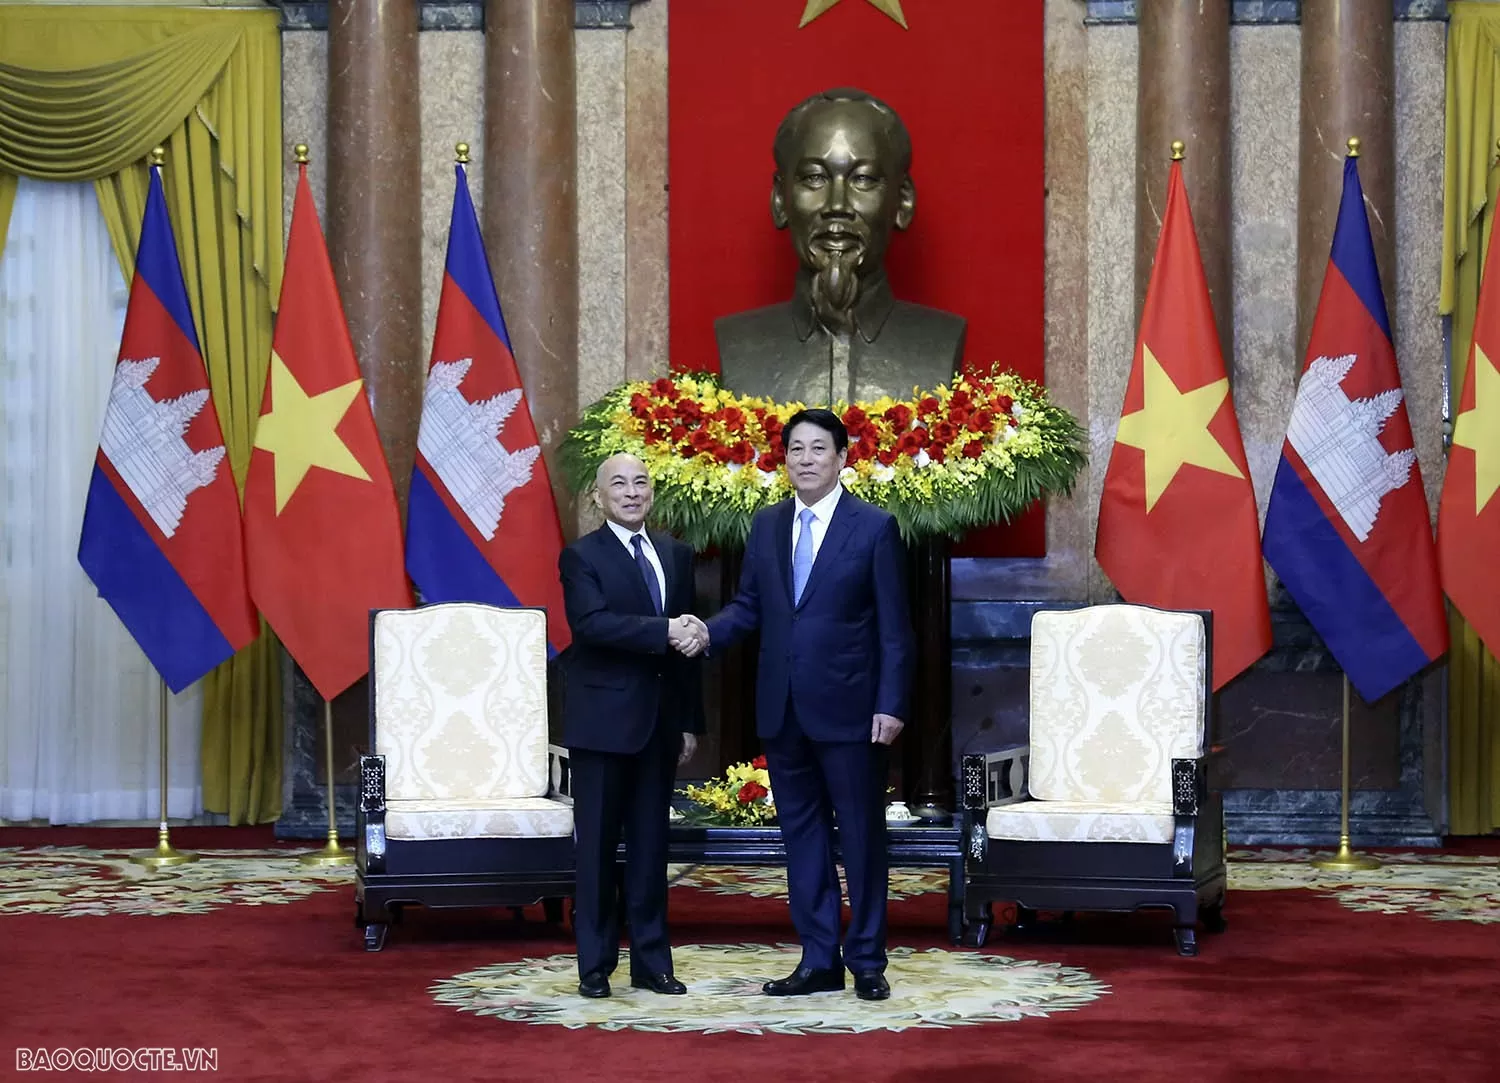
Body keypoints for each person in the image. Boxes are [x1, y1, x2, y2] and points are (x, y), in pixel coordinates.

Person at [695, 408, 914, 1001]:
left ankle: (867, 960)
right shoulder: (766, 527)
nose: (807, 458)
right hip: (782, 709)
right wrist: (704, 632)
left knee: (863, 837)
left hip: (853, 710)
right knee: (803, 838)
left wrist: (891, 703)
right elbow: (749, 607)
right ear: (783, 459)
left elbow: (896, 628)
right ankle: (819, 958)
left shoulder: (873, 527)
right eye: (796, 449)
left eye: (820, 448)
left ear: (843, 458)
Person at [558, 453, 705, 999]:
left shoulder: (676, 555)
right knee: (596, 849)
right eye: (618, 483)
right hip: (601, 724)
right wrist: (665, 630)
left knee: (651, 850)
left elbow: (687, 645)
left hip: (661, 726)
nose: (631, 491)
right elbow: (591, 624)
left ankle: (652, 963)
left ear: (652, 493)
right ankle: (594, 966)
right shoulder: (581, 556)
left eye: (640, 482)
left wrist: (690, 721)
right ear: (598, 497)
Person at [715, 87, 965, 407]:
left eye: (863, 179)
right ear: (780, 199)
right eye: (814, 178)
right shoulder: (739, 342)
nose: (837, 205)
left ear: (903, 201)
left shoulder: (940, 342)